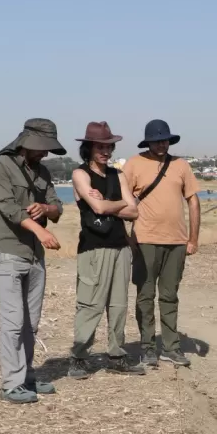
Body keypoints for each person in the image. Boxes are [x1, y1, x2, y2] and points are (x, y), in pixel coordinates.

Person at [0, 118, 66, 404]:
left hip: (34, 257)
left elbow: (58, 208)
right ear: (27, 142)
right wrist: (40, 230)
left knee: (31, 322)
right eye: (42, 148)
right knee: (13, 321)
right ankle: (11, 384)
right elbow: (9, 209)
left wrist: (45, 208)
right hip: (7, 253)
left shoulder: (42, 171)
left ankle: (27, 376)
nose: (45, 153)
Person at [68, 122, 145, 379]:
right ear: (88, 148)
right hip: (94, 247)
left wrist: (109, 203)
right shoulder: (80, 174)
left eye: (108, 146)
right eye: (100, 146)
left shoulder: (117, 175)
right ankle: (79, 357)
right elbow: (98, 209)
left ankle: (117, 355)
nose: (105, 151)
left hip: (120, 246)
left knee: (119, 303)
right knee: (90, 303)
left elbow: (133, 211)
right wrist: (117, 204)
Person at [123, 119, 201, 367]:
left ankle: (171, 347)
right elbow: (122, 201)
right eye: (157, 140)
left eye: (165, 139)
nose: (162, 144)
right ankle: (147, 348)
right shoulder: (134, 164)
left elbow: (193, 201)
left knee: (170, 295)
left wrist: (193, 239)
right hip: (145, 240)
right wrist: (127, 237)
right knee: (145, 295)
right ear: (148, 142)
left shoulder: (181, 165)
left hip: (177, 242)